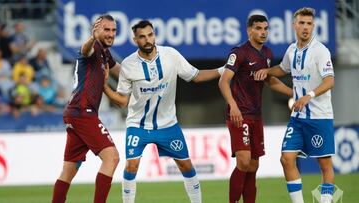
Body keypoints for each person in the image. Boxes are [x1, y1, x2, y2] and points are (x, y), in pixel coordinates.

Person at [103, 20, 222, 203]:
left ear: (154, 35)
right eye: (142, 37)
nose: (147, 40)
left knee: (186, 165)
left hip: (168, 125)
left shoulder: (171, 55)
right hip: (138, 125)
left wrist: (223, 70)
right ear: (135, 40)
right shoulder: (128, 65)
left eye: (150, 35)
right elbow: (122, 101)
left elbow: (196, 76)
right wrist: (105, 87)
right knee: (131, 165)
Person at [255, 7, 335, 203]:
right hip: (298, 118)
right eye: (301, 23)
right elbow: (283, 69)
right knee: (286, 159)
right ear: (294, 25)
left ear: (313, 26)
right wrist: (266, 71)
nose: (305, 28)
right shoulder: (292, 50)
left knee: (324, 165)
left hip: (319, 117)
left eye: (309, 24)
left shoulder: (320, 51)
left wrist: (309, 95)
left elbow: (330, 80)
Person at [218, 15, 293, 203]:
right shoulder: (239, 52)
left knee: (253, 165)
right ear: (249, 30)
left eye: (266, 29)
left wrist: (293, 93)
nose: (263, 32)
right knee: (243, 161)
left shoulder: (267, 53)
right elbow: (223, 81)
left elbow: (269, 81)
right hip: (239, 115)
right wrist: (233, 105)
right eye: (259, 28)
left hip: (256, 116)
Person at [52, 14, 121, 203]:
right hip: (83, 112)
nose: (111, 34)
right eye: (106, 30)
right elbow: (85, 49)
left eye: (113, 30)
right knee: (112, 157)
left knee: (69, 170)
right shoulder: (93, 47)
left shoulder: (105, 53)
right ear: (96, 30)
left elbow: (122, 72)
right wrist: (93, 37)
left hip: (76, 113)